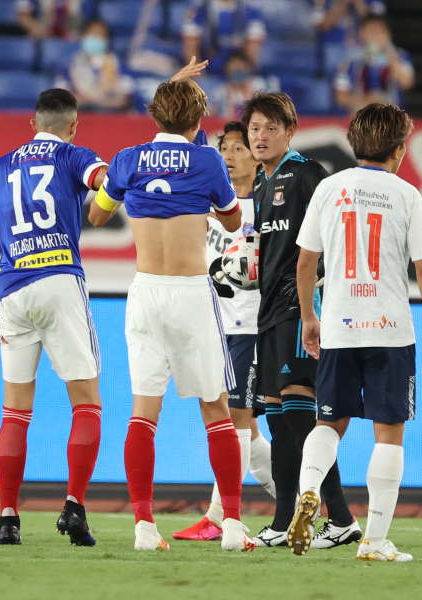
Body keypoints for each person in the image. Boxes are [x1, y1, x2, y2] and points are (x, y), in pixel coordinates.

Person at [87, 60, 251, 552]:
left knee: (143, 412)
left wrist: (172, 91)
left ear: (155, 116)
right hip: (190, 293)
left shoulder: (126, 160)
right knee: (216, 410)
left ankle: (143, 527)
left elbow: (97, 215)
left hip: (145, 293)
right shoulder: (207, 162)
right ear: (198, 123)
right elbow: (232, 217)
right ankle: (235, 527)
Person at [287, 103, 422, 562]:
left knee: (328, 422)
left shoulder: (329, 189)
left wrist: (309, 318)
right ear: (399, 150)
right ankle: (374, 541)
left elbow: (304, 263)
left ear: (353, 142)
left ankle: (310, 491)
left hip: (339, 324)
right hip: (390, 329)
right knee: (389, 432)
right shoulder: (406, 194)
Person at [0, 88, 107, 547]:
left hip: (11, 290)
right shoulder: (74, 155)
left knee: (15, 412)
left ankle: (7, 519)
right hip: (60, 279)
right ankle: (74, 507)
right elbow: (106, 183)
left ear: (32, 123)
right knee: (86, 403)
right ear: (73, 124)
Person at [243, 92, 359, 549]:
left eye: (270, 127)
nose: (260, 136)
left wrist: (318, 297)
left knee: (298, 415)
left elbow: (336, 236)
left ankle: (338, 516)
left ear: (290, 131)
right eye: (254, 128)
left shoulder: (309, 174)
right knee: (277, 418)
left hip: (299, 308)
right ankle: (287, 519)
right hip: (268, 312)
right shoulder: (257, 184)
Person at [173, 121, 277, 542]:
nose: (230, 155)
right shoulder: (212, 199)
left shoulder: (268, 206)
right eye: (225, 148)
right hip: (212, 323)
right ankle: (306, 500)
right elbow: (183, 141)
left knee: (236, 419)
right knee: (244, 428)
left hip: (249, 326)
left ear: (256, 155)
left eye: (239, 147)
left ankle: (219, 516)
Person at [334, 15, 414, 114]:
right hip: (361, 113)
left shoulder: (401, 56)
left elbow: (407, 83)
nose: (376, 36)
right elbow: (341, 97)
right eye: (372, 31)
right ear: (362, 33)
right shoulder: (349, 59)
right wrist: (368, 101)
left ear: (388, 34)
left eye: (381, 31)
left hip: (392, 114)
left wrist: (389, 52)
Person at [60, 20, 132, 113]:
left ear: (107, 40)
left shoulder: (115, 62)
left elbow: (125, 97)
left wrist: (104, 102)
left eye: (100, 35)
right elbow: (61, 93)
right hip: (80, 113)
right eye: (92, 34)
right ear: (84, 36)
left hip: (109, 113)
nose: (96, 38)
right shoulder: (72, 62)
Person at [181, 0, 266, 75]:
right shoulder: (198, 9)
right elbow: (190, 47)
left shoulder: (250, 10)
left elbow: (253, 50)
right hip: (207, 66)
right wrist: (201, 79)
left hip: (236, 70)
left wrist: (248, 76)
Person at [209, 52, 279, 119]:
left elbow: (273, 109)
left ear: (248, 69)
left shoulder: (259, 84)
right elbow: (210, 115)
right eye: (234, 70)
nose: (238, 73)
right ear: (227, 70)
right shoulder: (221, 91)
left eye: (240, 69)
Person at [16, 0, 97, 40]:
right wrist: (35, 27)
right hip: (42, 37)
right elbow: (23, 15)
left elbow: (92, 23)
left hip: (75, 38)